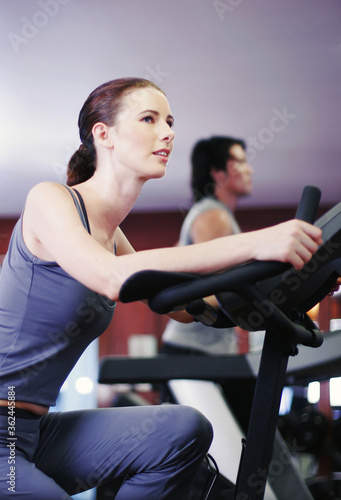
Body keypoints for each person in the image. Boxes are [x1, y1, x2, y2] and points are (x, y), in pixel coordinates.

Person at [0, 77, 322, 500]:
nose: (168, 132)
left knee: (184, 429)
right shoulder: (50, 201)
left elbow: (188, 306)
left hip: (37, 433)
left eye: (169, 121)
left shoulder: (114, 236)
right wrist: (259, 240)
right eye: (149, 119)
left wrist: (283, 288)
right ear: (104, 134)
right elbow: (113, 276)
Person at [161, 136, 255, 358]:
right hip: (192, 352)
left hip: (203, 350)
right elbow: (219, 291)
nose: (249, 170)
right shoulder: (215, 216)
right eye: (238, 163)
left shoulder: (208, 213)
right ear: (218, 174)